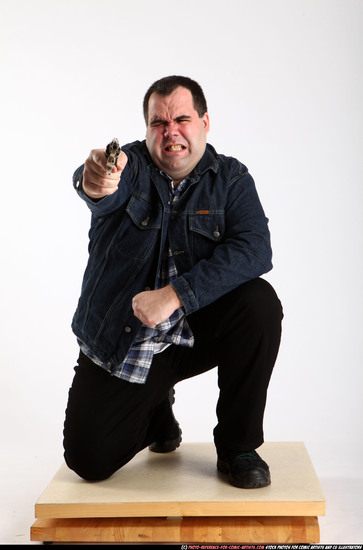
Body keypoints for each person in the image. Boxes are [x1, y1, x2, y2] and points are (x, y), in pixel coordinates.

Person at [63, 75, 283, 489]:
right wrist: (94, 183)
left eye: (181, 118)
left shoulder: (232, 179)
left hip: (195, 331)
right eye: (157, 123)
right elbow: (100, 186)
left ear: (204, 122)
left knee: (260, 304)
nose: (170, 132)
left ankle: (238, 446)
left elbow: (256, 249)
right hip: (127, 340)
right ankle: (156, 412)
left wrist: (176, 295)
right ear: (146, 130)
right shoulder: (127, 167)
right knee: (88, 461)